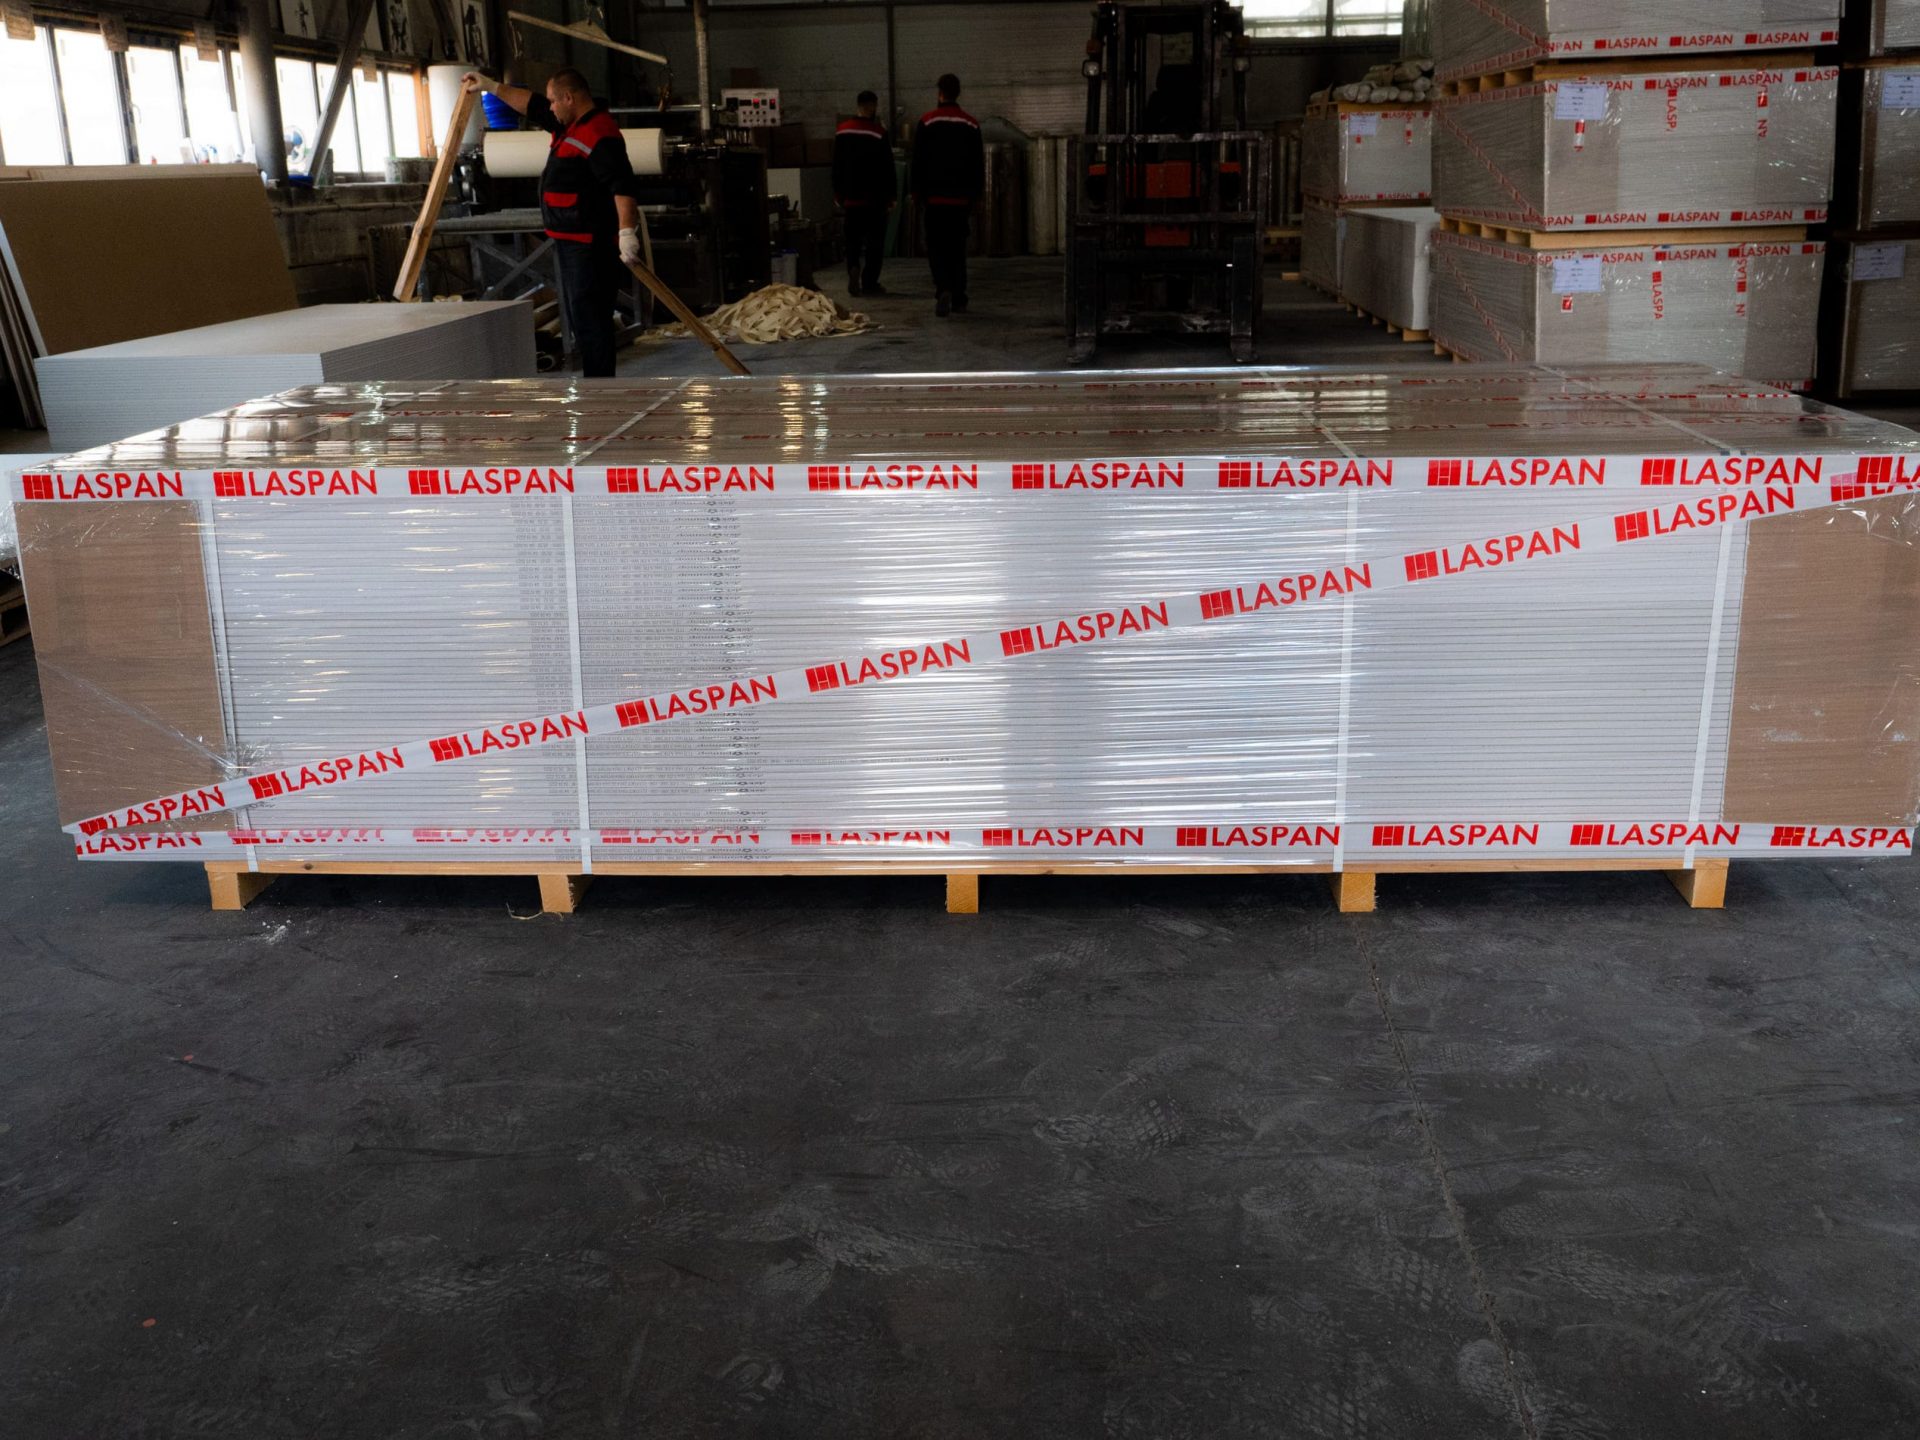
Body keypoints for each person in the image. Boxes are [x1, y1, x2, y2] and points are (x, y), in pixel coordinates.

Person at [463, 67, 642, 377]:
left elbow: (622, 186)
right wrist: (491, 86)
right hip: (572, 243)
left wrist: (626, 232)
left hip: (591, 246)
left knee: (591, 320)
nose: (550, 108)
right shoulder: (568, 125)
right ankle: (596, 383)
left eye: (554, 101)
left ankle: (600, 387)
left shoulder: (599, 134)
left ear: (569, 98)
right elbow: (531, 104)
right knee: (582, 318)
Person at [909, 73, 984, 317]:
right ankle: (959, 297)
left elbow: (918, 161)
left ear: (940, 93)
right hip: (960, 200)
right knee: (957, 249)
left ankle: (943, 288)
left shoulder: (927, 121)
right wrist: (976, 196)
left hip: (934, 199)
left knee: (936, 247)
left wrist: (916, 192)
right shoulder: (971, 124)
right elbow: (977, 164)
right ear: (958, 93)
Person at [832, 90, 895, 297]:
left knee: (853, 240)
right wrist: (891, 196)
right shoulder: (878, 132)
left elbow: (837, 165)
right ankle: (870, 283)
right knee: (875, 244)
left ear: (858, 105)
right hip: (875, 200)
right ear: (873, 106)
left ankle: (853, 267)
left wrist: (838, 193)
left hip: (851, 198)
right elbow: (888, 167)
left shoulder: (842, 131)